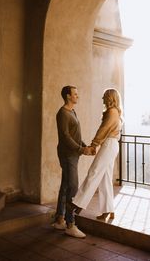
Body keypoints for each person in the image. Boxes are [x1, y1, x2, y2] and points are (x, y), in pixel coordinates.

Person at [72, 88, 123, 222]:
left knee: (93, 173)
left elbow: (103, 129)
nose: (102, 99)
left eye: (104, 97)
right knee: (105, 178)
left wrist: (94, 144)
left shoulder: (112, 112)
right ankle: (108, 210)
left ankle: (76, 205)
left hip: (109, 145)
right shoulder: (116, 112)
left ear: (110, 98)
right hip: (112, 145)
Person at [53, 85, 94, 238]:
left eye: (77, 93)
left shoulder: (72, 112)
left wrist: (85, 147)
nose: (78, 96)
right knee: (73, 188)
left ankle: (59, 220)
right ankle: (70, 224)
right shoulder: (62, 113)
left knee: (65, 186)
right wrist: (81, 149)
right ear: (68, 96)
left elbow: (75, 135)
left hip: (73, 154)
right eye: (75, 94)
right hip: (67, 155)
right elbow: (65, 137)